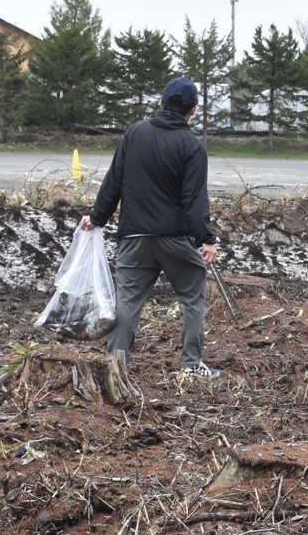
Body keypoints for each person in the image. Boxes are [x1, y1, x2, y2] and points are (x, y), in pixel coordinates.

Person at [79, 77, 221, 376]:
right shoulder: (193, 147)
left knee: (127, 304)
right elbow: (194, 199)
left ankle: (115, 369)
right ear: (193, 110)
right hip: (175, 239)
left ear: (161, 103)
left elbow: (115, 179)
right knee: (192, 299)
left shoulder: (136, 132)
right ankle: (190, 365)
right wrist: (206, 239)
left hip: (135, 237)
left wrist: (97, 216)